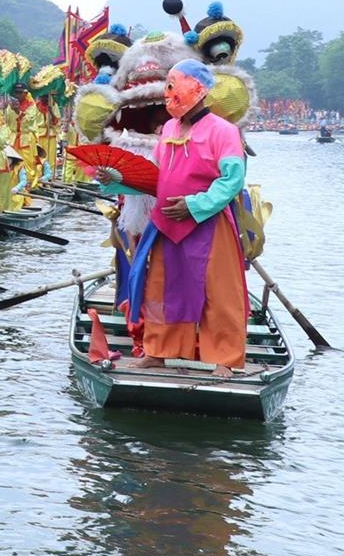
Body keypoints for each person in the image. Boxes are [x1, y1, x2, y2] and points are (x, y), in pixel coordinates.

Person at [102, 60, 250, 374]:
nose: (168, 93)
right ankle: (159, 349)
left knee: (218, 291)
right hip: (165, 222)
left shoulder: (224, 131)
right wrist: (114, 179)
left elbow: (232, 180)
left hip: (207, 222)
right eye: (168, 86)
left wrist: (195, 205)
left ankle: (224, 357)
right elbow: (155, 176)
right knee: (161, 287)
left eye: (174, 85)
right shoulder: (169, 128)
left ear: (198, 89)